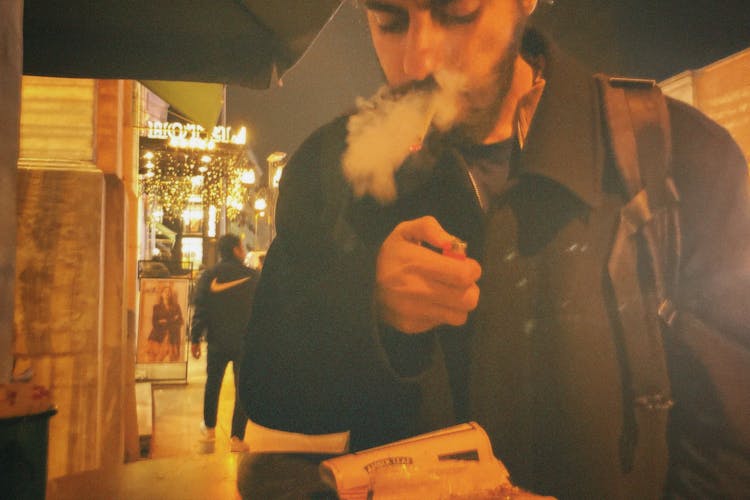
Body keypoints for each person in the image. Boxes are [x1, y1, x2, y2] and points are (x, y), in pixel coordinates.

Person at [239, 1, 750, 498]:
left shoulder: (681, 157)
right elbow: (272, 403)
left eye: (457, 13)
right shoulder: (329, 172)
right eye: (389, 20)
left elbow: (729, 452)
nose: (419, 60)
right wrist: (361, 303)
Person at [191, 234, 258, 453]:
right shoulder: (252, 276)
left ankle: (209, 428)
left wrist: (195, 338)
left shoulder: (210, 275)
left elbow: (201, 309)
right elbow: (263, 310)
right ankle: (237, 438)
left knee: (213, 384)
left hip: (217, 341)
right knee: (243, 390)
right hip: (245, 344)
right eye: (242, 247)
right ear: (237, 250)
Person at [147, 285, 184, 362]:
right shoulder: (156, 307)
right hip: (157, 337)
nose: (167, 293)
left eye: (169, 292)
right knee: (154, 360)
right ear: (161, 294)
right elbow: (155, 323)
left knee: (172, 360)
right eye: (165, 291)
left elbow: (181, 321)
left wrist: (164, 321)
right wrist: (173, 319)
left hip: (172, 337)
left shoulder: (176, 307)